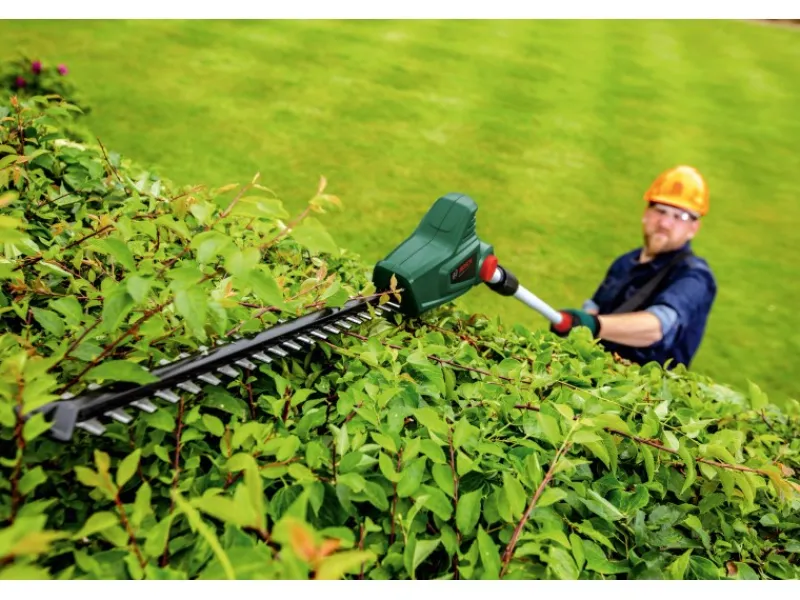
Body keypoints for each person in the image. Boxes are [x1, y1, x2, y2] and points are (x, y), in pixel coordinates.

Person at [550, 165, 717, 370]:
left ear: (693, 228)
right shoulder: (625, 262)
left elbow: (656, 328)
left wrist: (593, 325)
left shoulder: (694, 277)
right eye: (661, 210)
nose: (665, 223)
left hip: (644, 395)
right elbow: (595, 306)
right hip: (596, 375)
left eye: (679, 217)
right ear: (646, 213)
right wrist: (579, 321)